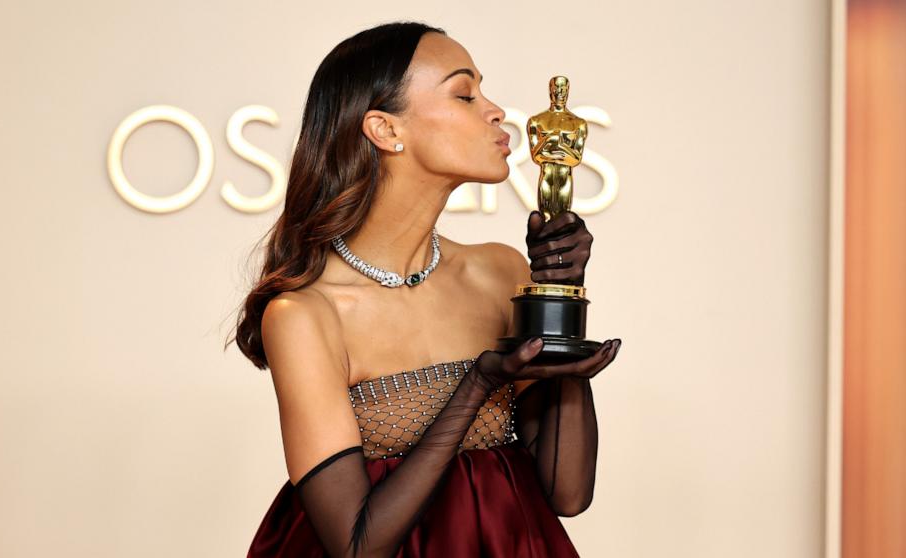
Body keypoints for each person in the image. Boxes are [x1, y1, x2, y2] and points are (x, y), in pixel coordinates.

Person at [229, 20, 622, 558]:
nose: (495, 110)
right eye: (464, 94)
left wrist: (561, 299)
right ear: (385, 130)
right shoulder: (305, 313)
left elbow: (568, 494)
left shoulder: (500, 273)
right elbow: (356, 545)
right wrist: (477, 385)